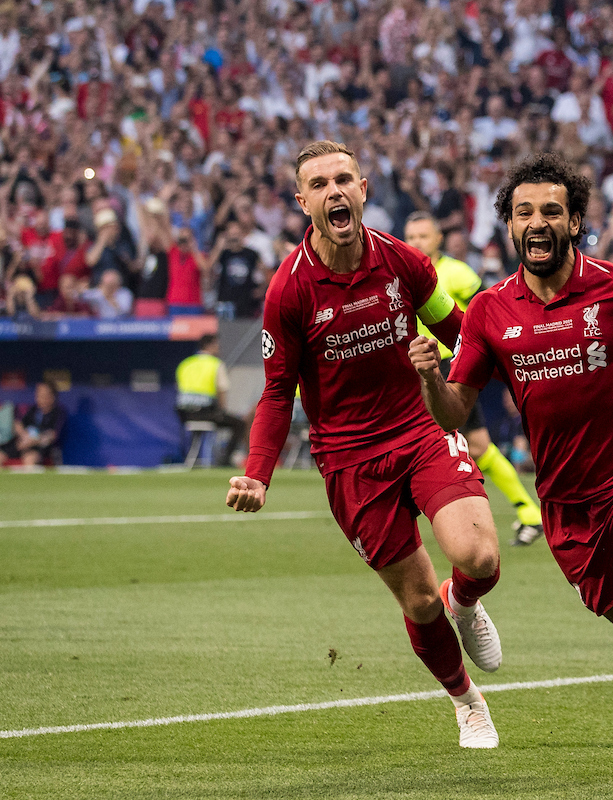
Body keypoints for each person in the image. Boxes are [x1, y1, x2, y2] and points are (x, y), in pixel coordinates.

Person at [410, 153, 613, 774]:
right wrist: (432, 378)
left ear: (575, 222)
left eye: (551, 212)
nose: (538, 223)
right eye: (524, 213)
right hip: (566, 500)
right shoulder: (488, 311)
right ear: (509, 226)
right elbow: (455, 415)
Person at [224, 141, 504, 749]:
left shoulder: (400, 260)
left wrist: (523, 362)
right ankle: (465, 701)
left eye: (343, 179)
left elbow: (458, 327)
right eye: (320, 185)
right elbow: (276, 394)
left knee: (479, 559)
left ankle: (468, 601)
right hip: (350, 459)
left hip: (421, 429)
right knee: (418, 599)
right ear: (304, 202)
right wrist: (257, 474)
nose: (334, 191)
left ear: (364, 188)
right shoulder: (289, 291)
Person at [403, 211, 546, 546]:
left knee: (450, 446)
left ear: (439, 239)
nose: (416, 243)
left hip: (450, 370)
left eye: (423, 237)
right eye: (410, 237)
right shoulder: (403, 272)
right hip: (416, 370)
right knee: (479, 446)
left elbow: (486, 309)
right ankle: (529, 513)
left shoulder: (456, 273)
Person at [175, 333, 247, 467]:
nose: (219, 347)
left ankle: (190, 457)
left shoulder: (185, 364)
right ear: (210, 345)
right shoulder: (216, 365)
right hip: (206, 412)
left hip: (185, 414)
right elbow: (222, 390)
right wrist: (222, 411)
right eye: (217, 344)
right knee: (240, 424)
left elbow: (180, 389)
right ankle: (225, 461)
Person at [1, 382, 65, 466]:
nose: (39, 398)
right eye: (38, 394)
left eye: (43, 395)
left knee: (29, 459)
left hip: (41, 448)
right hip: (23, 443)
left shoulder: (59, 412)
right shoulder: (33, 410)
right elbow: (18, 424)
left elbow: (52, 435)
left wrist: (33, 441)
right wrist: (24, 436)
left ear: (52, 397)